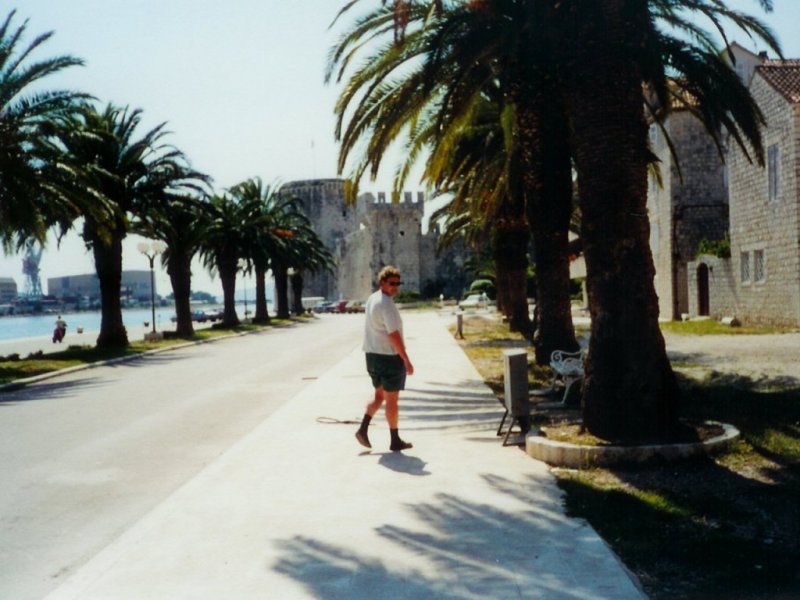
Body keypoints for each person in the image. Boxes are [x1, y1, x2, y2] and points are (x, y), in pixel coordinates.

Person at [356, 266, 414, 452]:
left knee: (379, 396)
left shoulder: (372, 299)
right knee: (391, 400)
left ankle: (363, 430)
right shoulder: (386, 304)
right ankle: (395, 440)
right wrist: (405, 359)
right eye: (392, 283)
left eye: (398, 283)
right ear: (382, 283)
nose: (396, 287)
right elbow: (393, 335)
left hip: (371, 356)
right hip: (388, 358)